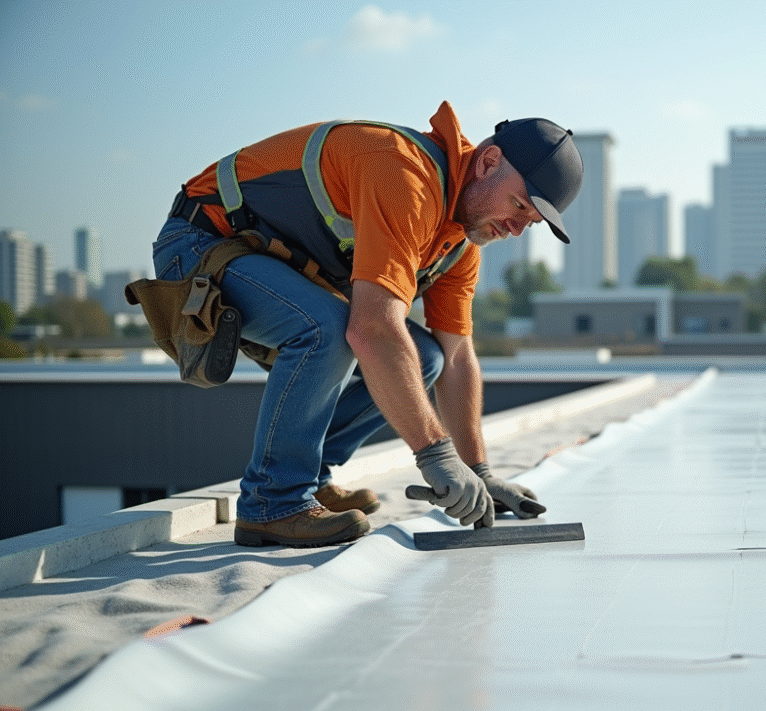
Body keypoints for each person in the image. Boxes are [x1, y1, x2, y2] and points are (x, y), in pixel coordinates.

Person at [152, 101, 583, 547]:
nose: (515, 228)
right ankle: (273, 502)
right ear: (488, 162)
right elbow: (371, 329)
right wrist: (436, 453)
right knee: (328, 328)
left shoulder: (458, 244)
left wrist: (479, 473)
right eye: (518, 204)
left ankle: (308, 478)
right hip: (198, 244)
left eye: (529, 221)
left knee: (427, 357)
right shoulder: (401, 172)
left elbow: (456, 358)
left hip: (264, 262)